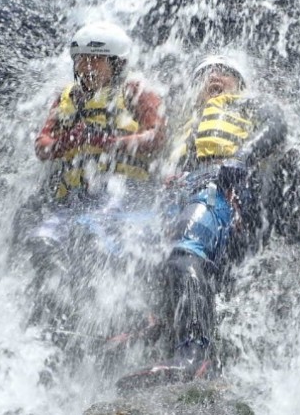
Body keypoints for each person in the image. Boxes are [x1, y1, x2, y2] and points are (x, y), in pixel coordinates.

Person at [118, 54, 287, 389]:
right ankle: (146, 327)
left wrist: (242, 156)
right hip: (181, 193)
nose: (214, 76)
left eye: (223, 72)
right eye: (207, 74)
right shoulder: (189, 122)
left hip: (219, 186)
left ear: (239, 83)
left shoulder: (246, 105)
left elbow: (276, 125)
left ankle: (195, 354)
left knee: (185, 253)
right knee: (136, 252)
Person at [34, 21, 166, 203]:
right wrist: (65, 142)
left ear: (117, 64)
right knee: (41, 233)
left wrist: (106, 142)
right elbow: (42, 145)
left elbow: (157, 137)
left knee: (98, 230)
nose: (87, 67)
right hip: (71, 197)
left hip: (126, 195)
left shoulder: (135, 90)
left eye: (96, 59)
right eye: (81, 59)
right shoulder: (67, 96)